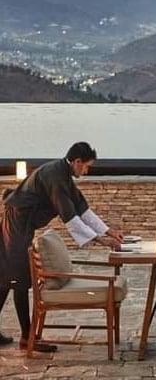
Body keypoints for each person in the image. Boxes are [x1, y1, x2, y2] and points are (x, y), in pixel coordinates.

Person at [0, 141, 123, 352]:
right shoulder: (55, 176)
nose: (87, 171)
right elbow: (70, 218)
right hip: (17, 221)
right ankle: (28, 339)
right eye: (86, 166)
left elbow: (82, 210)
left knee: (6, 276)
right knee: (18, 277)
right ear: (77, 161)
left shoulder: (63, 174)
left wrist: (108, 231)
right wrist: (101, 241)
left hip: (22, 221)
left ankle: (26, 337)